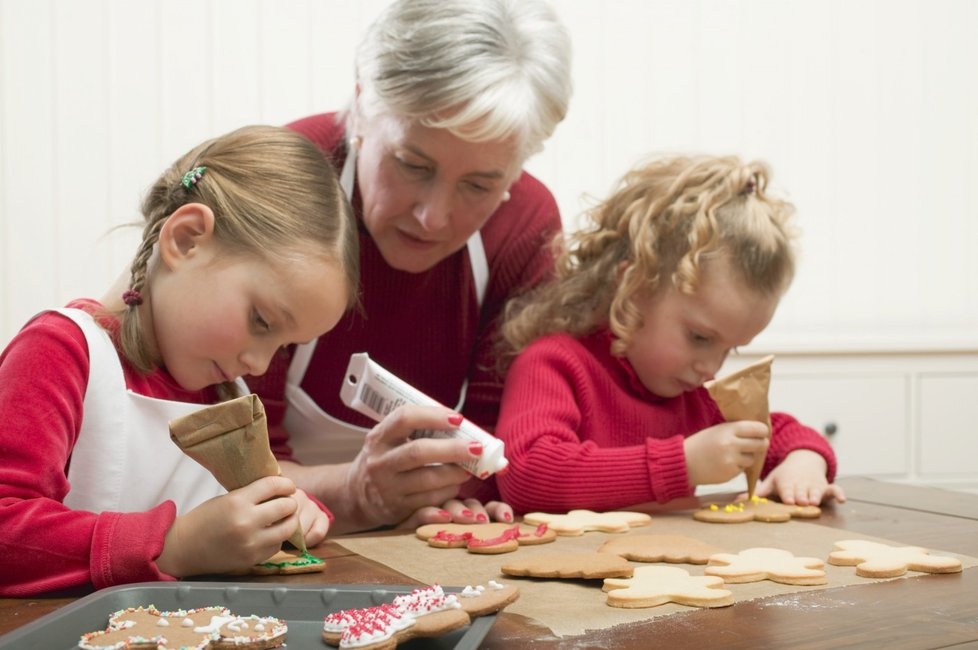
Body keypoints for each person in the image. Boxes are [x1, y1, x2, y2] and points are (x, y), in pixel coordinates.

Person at [248, 0, 573, 533]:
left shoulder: (525, 227)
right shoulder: (284, 183)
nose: (433, 216)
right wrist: (357, 496)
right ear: (360, 109)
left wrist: (463, 493)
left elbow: (503, 447)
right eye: (412, 164)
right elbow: (223, 464)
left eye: (479, 185)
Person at [0, 125, 361, 596]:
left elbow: (243, 511)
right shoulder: (61, 352)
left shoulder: (225, 390)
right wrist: (174, 545)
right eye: (261, 321)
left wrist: (292, 512)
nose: (259, 364)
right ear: (186, 240)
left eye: (285, 346)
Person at [492, 155, 848, 514]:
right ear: (632, 288)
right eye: (700, 338)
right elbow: (526, 475)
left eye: (731, 349)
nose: (710, 368)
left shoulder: (694, 396)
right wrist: (683, 463)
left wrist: (804, 463)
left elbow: (782, 432)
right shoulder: (553, 364)